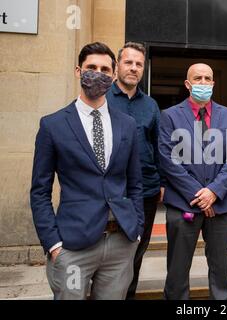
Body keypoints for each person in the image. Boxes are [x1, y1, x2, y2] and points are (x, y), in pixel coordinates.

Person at [30, 42, 144, 300]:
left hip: (120, 243)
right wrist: (53, 244)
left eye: (105, 69)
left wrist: (136, 229)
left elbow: (135, 183)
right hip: (72, 246)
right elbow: (40, 191)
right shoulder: (53, 125)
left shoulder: (127, 125)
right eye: (91, 67)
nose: (98, 73)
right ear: (78, 71)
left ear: (113, 75)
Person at [159, 63, 227, 300]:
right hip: (184, 204)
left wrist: (214, 191)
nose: (203, 82)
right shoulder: (169, 116)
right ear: (187, 84)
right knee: (177, 271)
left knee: (221, 272)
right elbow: (168, 159)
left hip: (221, 205)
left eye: (207, 78)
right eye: (198, 78)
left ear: (213, 83)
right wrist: (200, 195)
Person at [106, 42, 162, 299]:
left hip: (146, 191)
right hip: (110, 191)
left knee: (137, 249)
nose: (134, 68)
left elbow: (159, 146)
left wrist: (162, 182)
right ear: (117, 66)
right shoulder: (102, 99)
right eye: (128, 62)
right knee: (107, 252)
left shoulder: (150, 106)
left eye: (139, 64)